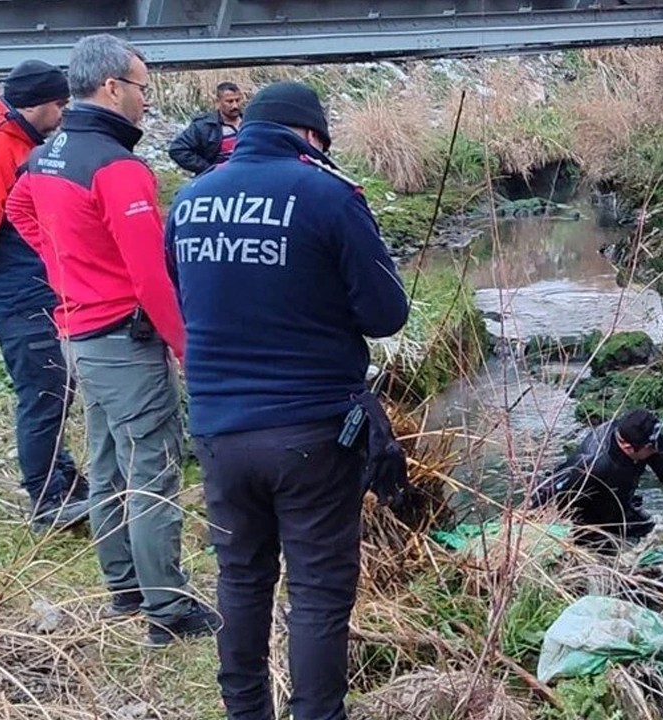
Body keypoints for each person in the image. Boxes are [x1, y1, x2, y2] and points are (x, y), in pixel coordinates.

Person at [166, 81, 410, 720]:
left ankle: (245, 712)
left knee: (241, 580)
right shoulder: (329, 195)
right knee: (319, 593)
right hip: (310, 430)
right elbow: (385, 314)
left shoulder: (188, 200)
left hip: (219, 429)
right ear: (310, 136)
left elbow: (188, 297)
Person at [5, 34, 217, 646]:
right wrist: (186, 348)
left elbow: (20, 209)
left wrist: (64, 264)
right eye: (143, 87)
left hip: (79, 333)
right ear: (112, 88)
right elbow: (151, 274)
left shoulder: (48, 153)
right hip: (123, 337)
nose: (146, 101)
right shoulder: (118, 166)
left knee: (104, 462)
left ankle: (123, 587)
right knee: (152, 466)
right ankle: (168, 610)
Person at [0, 60, 89, 531]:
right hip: (16, 292)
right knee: (43, 390)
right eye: (60, 104)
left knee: (53, 387)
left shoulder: (19, 143)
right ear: (39, 103)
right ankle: (47, 499)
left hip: (29, 287)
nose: (63, 114)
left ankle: (61, 479)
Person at [530, 408, 663, 548]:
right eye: (652, 448)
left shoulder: (645, 437)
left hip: (622, 503)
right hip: (587, 515)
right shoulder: (593, 463)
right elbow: (548, 490)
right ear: (628, 448)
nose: (657, 451)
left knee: (656, 536)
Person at [168, 81, 244, 175]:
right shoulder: (204, 126)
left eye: (238, 100)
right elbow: (178, 149)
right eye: (229, 101)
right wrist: (208, 169)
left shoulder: (250, 122)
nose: (235, 105)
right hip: (218, 179)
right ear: (218, 102)